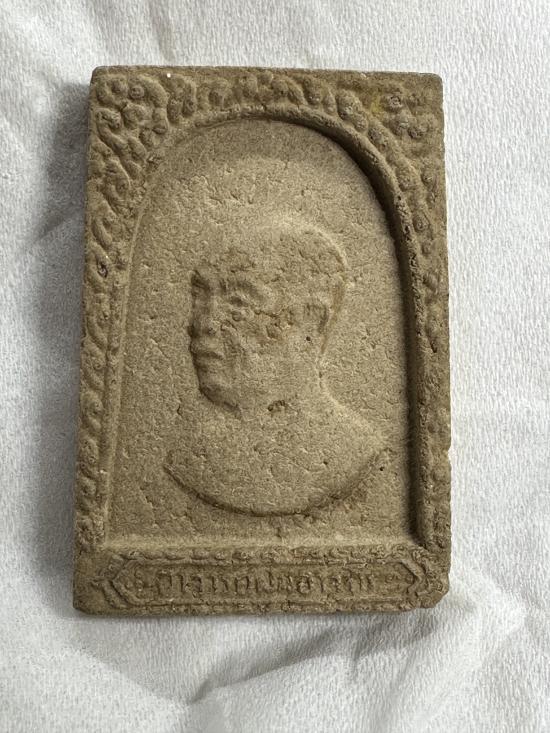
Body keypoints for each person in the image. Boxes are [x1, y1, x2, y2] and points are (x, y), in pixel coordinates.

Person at [165, 220, 381, 515]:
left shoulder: (352, 450)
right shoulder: (190, 456)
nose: (203, 324)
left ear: (312, 322)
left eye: (238, 304)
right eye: (200, 299)